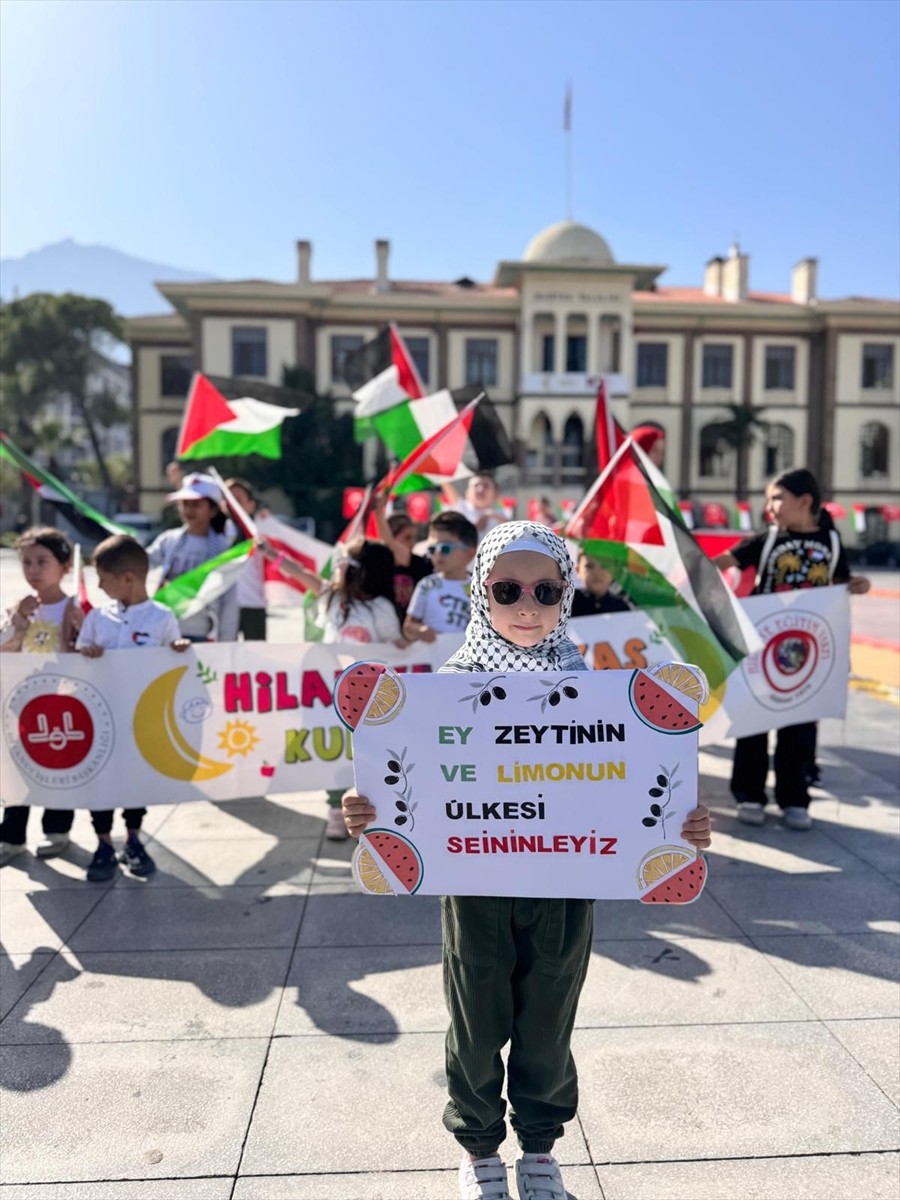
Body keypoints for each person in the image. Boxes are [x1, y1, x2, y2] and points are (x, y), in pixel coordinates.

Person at [342, 521, 712, 1200]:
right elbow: (408, 776)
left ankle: (539, 1145)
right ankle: (480, 1146)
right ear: (481, 594)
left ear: (566, 593)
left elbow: (637, 786)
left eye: (545, 590)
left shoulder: (598, 692)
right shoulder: (442, 692)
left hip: (566, 889)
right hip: (475, 887)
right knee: (476, 1018)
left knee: (549, 1018)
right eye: (507, 589)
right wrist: (374, 810)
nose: (527, 606)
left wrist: (679, 821)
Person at [713, 467, 870, 831]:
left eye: (777, 498)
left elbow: (841, 580)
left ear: (805, 501)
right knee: (752, 723)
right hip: (758, 650)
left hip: (805, 653)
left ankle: (795, 798)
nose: (770, 506)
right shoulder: (765, 540)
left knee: (799, 726)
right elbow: (721, 562)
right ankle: (749, 795)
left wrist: (855, 584)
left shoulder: (831, 542)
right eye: (768, 498)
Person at [259, 536, 404, 840]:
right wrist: (272, 554)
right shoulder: (332, 600)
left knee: (364, 755)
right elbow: (302, 575)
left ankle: (372, 808)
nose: (337, 566)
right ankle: (335, 809)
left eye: (344, 561)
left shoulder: (381, 610)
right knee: (333, 751)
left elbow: (392, 652)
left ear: (363, 571)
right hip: (328, 696)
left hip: (368, 700)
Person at [76, 535, 191, 881]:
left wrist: (178, 648)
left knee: (134, 783)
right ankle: (102, 844)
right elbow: (80, 652)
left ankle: (134, 839)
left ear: (128, 578)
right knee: (101, 782)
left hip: (141, 721)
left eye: (103, 578)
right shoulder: (97, 618)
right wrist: (88, 652)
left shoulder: (161, 617)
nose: (98, 585)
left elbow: (174, 656)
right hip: (101, 719)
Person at [0, 527, 82, 866]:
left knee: (60, 766)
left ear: (64, 566)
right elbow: (5, 648)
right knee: (18, 769)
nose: (33, 570)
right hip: (23, 703)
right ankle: (12, 835)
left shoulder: (74, 608)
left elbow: (81, 652)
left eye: (42, 562)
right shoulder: (19, 609)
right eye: (27, 563)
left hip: (61, 702)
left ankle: (58, 829)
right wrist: (19, 621)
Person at [146, 473, 239, 642]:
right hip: (165, 630)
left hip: (202, 632)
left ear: (213, 510)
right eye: (185, 504)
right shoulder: (169, 540)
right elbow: (144, 563)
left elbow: (229, 599)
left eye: (196, 504)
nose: (189, 510)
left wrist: (227, 642)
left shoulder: (222, 549)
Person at [402, 512, 477, 643]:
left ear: (470, 553)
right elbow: (408, 626)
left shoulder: (480, 590)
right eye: (432, 548)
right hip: (434, 659)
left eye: (445, 548)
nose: (437, 554)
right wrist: (420, 631)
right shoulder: (427, 585)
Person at [372, 496, 433, 621]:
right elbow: (388, 542)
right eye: (407, 537)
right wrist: (378, 513)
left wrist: (378, 513)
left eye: (414, 538)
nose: (413, 543)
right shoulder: (375, 564)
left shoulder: (420, 564)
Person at [224, 477, 269, 641]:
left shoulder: (262, 534)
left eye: (237, 500)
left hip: (254, 604)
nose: (231, 505)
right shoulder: (217, 533)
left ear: (251, 505)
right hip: (225, 606)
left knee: (256, 658)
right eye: (227, 499)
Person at [442, 472, 507, 540]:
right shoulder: (461, 508)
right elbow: (444, 482)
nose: (480, 490)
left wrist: (491, 515)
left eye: (486, 486)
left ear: (495, 494)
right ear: (467, 493)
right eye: (476, 485)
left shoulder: (500, 515)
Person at [570, 549, 633, 618]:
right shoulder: (566, 604)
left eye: (605, 566)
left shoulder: (622, 608)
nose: (597, 573)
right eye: (589, 566)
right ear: (578, 570)